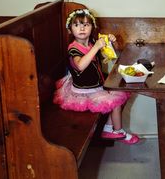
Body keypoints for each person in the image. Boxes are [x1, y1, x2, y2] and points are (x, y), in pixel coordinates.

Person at [53, 8, 139, 144]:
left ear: (92, 27)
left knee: (122, 90)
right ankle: (117, 131)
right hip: (84, 91)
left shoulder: (93, 42)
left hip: (98, 85)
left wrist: (112, 42)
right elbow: (80, 66)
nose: (82, 28)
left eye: (86, 24)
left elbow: (111, 55)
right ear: (70, 30)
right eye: (77, 25)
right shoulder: (73, 48)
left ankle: (108, 128)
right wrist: (96, 48)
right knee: (117, 99)